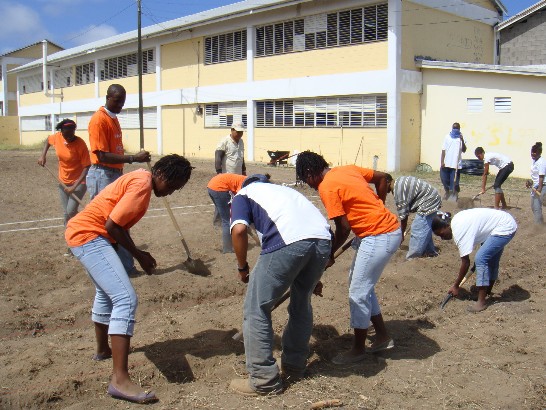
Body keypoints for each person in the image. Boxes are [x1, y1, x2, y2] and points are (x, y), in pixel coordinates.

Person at [65, 154, 193, 404]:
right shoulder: (142, 185)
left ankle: (103, 350)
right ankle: (120, 380)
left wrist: (118, 247)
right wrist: (140, 256)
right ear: (163, 175)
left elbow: (114, 224)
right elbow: (113, 224)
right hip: (89, 235)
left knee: (105, 293)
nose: (171, 193)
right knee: (125, 298)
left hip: (89, 234)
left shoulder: (140, 179)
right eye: (174, 186)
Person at [229, 174, 332, 396]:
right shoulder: (288, 192)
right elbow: (315, 230)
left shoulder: (242, 194)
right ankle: (295, 366)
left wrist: (242, 267)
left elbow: (238, 231)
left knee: (256, 308)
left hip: (288, 241)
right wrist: (313, 274)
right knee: (301, 303)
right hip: (323, 242)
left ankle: (263, 379)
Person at [296, 151, 402, 365]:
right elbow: (384, 177)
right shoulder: (348, 169)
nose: (310, 186)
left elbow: (343, 228)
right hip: (387, 231)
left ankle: (358, 349)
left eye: (306, 180)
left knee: (358, 292)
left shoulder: (327, 186)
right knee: (363, 284)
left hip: (378, 235)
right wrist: (378, 207)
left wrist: (329, 255)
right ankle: (382, 337)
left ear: (309, 172)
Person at [86, 84, 151, 274]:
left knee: (121, 220)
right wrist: (133, 158)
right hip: (102, 173)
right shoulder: (99, 120)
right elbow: (102, 155)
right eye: (117, 101)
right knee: (106, 223)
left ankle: (126, 267)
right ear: (107, 98)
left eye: (122, 102)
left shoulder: (113, 119)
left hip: (115, 173)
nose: (120, 105)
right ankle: (108, 267)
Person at [432, 208, 517, 312]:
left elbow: (466, 262)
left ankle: (481, 302)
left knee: (481, 258)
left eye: (441, 234)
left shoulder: (459, 230)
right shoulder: (456, 221)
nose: (442, 238)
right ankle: (486, 293)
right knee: (490, 259)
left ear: (446, 226)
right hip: (501, 223)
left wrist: (456, 286)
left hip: (504, 227)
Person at [38, 118, 91, 226]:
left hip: (79, 182)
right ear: (61, 131)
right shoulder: (57, 137)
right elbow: (48, 140)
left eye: (72, 133)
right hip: (62, 181)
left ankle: (81, 225)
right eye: (66, 134)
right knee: (67, 212)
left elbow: (87, 167)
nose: (69, 137)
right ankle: (70, 232)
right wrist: (43, 156)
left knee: (70, 211)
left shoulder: (80, 144)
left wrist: (74, 187)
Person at [207, 173, 269, 253]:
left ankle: (221, 231)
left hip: (212, 186)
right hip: (219, 188)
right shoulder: (245, 187)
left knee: (223, 214)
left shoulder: (249, 180)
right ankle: (228, 249)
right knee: (228, 220)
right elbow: (241, 205)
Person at [386, 174, 441, 259]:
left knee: (417, 228)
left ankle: (413, 257)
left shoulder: (398, 192)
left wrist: (401, 235)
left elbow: (404, 217)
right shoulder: (399, 182)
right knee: (425, 227)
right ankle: (430, 252)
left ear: (387, 182)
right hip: (432, 196)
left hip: (429, 200)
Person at [440, 122, 467, 201]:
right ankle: (447, 192)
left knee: (454, 182)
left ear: (459, 129)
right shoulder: (447, 137)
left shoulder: (461, 138)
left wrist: (462, 140)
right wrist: (442, 161)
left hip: (456, 165)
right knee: (444, 180)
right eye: (454, 128)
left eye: (457, 129)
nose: (455, 130)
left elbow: (464, 150)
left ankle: (454, 195)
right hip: (446, 163)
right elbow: (443, 150)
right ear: (452, 128)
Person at [526, 142, 545, 224]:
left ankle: (539, 226)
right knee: (533, 206)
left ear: (539, 153)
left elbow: (541, 176)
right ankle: (540, 223)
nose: (532, 154)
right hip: (536, 186)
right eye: (532, 152)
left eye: (535, 152)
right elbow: (535, 176)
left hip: (542, 185)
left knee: (537, 206)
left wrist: (540, 188)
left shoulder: (542, 162)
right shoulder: (534, 161)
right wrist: (530, 182)